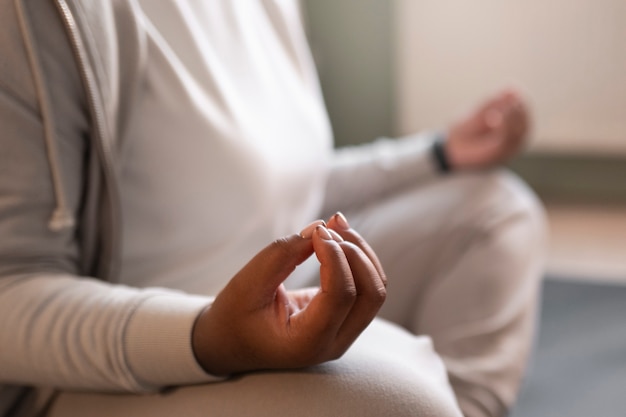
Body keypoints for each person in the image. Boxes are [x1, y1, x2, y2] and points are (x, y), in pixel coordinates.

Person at [0, 1, 546, 416]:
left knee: (497, 210)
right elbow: (10, 293)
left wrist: (437, 155)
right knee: (405, 402)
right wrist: (208, 336)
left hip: (269, 300)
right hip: (121, 356)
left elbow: (277, 186)